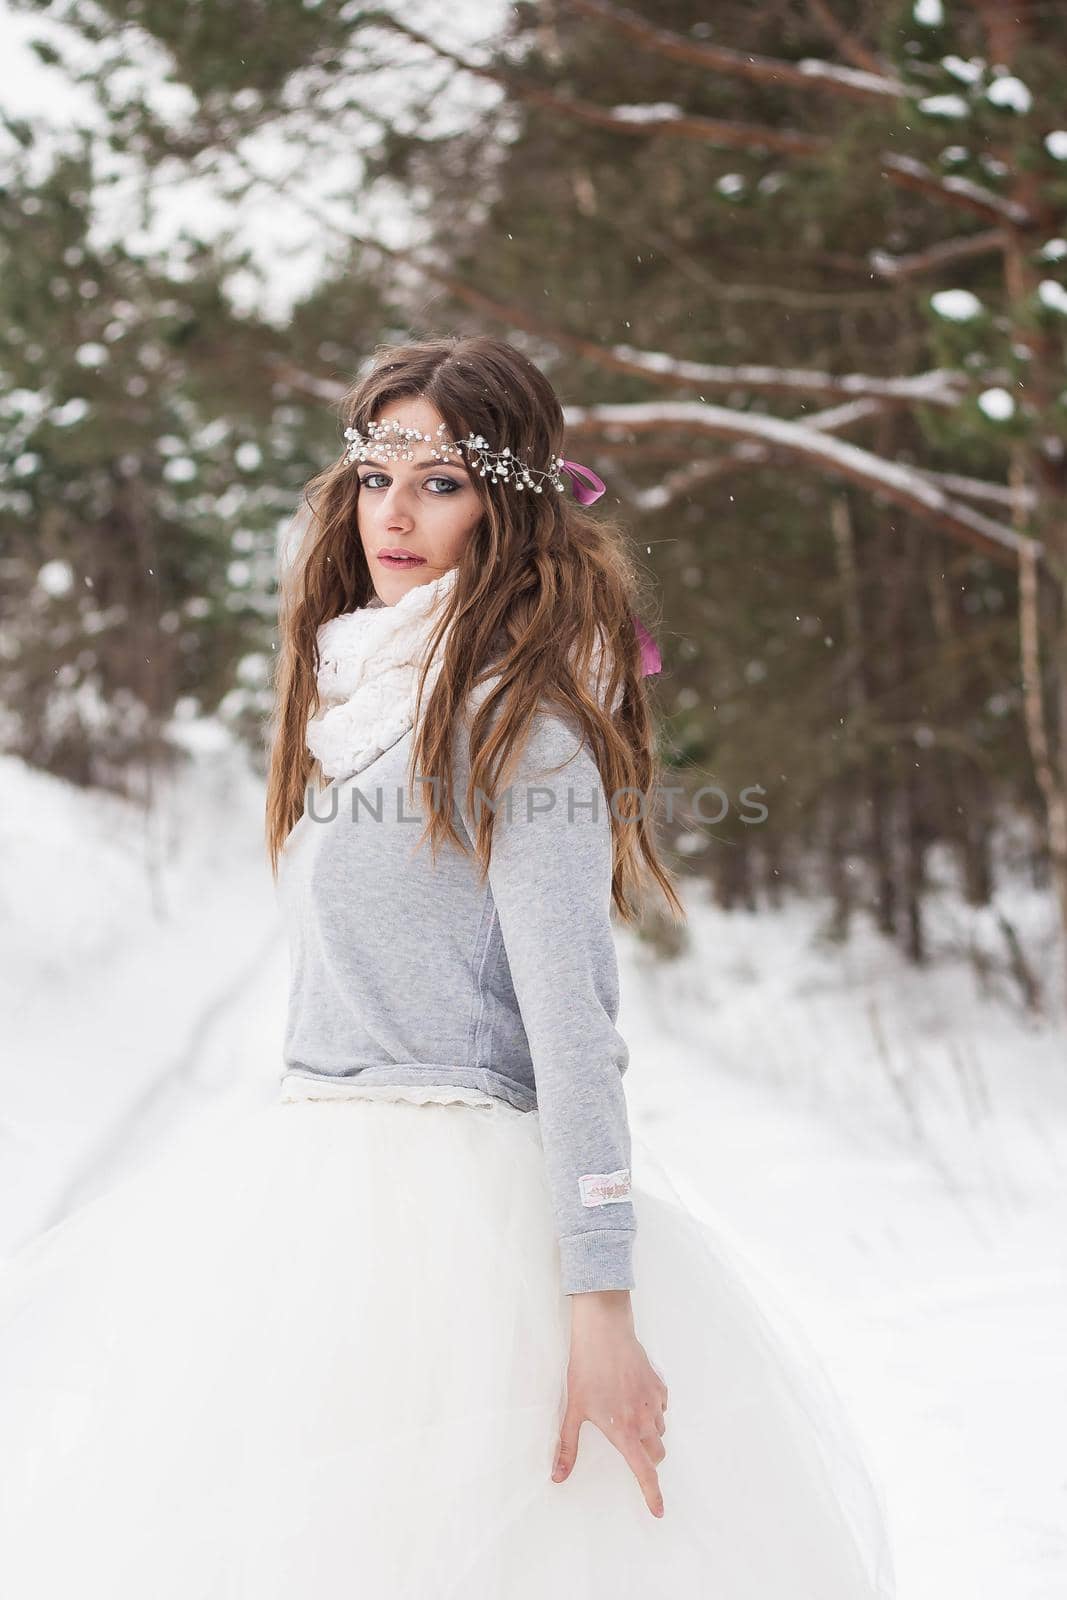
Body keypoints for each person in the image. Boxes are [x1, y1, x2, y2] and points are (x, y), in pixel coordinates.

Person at [0, 334, 895, 1597]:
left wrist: (596, 1301)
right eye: (375, 476)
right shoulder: (354, 695)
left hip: (458, 1226)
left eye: (439, 481)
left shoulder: (517, 724)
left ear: (507, 502)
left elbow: (575, 1025)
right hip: (310, 1197)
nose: (395, 515)